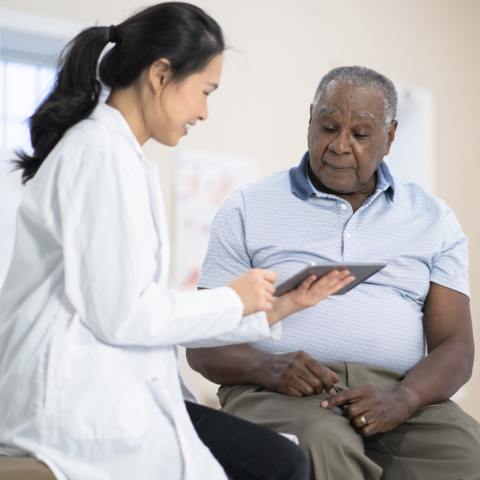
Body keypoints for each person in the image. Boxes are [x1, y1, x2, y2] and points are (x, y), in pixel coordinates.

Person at [0, 4, 355, 480]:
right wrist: (234, 299)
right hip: (73, 402)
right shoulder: (99, 157)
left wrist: (274, 308)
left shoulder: (120, 158)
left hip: (109, 389)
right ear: (161, 75)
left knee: (279, 459)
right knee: (280, 463)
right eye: (205, 92)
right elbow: (125, 314)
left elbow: (135, 310)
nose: (205, 112)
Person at [187, 66, 480, 480]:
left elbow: (456, 347)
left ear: (390, 136)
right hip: (276, 388)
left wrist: (404, 399)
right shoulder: (247, 208)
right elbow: (203, 344)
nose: (340, 146)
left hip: (396, 392)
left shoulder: (434, 220)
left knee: (468, 456)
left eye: (360, 134)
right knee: (321, 442)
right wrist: (266, 368)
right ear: (310, 120)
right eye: (328, 126)